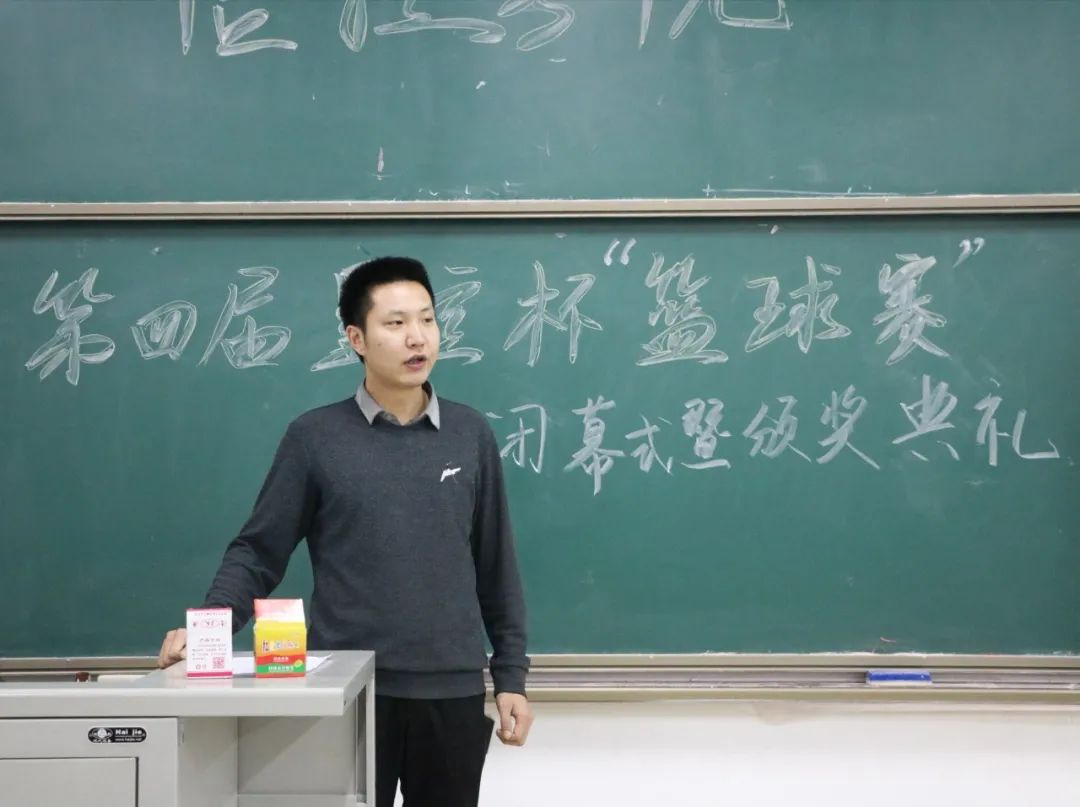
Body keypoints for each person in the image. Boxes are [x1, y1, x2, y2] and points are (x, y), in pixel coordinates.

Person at [157, 256, 532, 807]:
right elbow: (259, 551)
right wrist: (210, 626)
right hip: (347, 689)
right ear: (356, 338)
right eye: (396, 323)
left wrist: (511, 677)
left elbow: (496, 563)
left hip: (450, 688)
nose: (417, 338)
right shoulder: (315, 438)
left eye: (427, 320)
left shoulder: (469, 432)